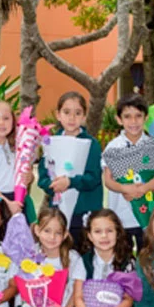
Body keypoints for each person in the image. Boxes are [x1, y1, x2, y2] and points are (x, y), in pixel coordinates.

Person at [101, 94, 154, 252]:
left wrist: (142, 189)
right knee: (121, 257)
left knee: (147, 255)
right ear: (119, 119)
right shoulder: (114, 147)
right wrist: (126, 189)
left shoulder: (152, 145)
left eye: (138, 116)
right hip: (120, 216)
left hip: (146, 215)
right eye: (127, 117)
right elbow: (108, 181)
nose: (133, 122)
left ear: (146, 118)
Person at [37, 91, 103, 246]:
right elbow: (43, 177)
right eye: (67, 112)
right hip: (59, 213)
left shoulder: (91, 144)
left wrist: (70, 182)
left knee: (84, 252)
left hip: (85, 210)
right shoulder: (50, 143)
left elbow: (93, 178)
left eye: (77, 113)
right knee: (62, 254)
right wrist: (53, 185)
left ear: (84, 117)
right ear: (58, 115)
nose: (72, 118)